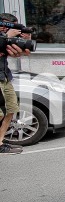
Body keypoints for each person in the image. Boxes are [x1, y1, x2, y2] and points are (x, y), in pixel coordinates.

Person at [0, 13, 32, 155]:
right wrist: (6, 36)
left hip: (5, 76)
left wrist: (23, 41)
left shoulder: (6, 39)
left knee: (11, 109)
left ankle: (0, 141)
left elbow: (25, 52)